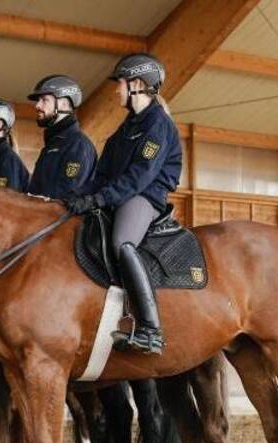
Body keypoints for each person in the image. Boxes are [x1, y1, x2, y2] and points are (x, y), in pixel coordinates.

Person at [65, 53, 182, 355]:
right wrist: (77, 198)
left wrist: (101, 198)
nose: (116, 90)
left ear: (138, 85)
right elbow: (102, 175)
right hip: (122, 193)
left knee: (122, 242)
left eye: (120, 83)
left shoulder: (159, 125)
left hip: (146, 196)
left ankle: (150, 330)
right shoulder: (124, 130)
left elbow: (140, 176)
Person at [26, 75, 97, 200]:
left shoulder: (78, 145)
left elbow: (65, 197)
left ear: (64, 103)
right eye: (38, 100)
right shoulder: (53, 144)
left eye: (44, 100)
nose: (37, 105)